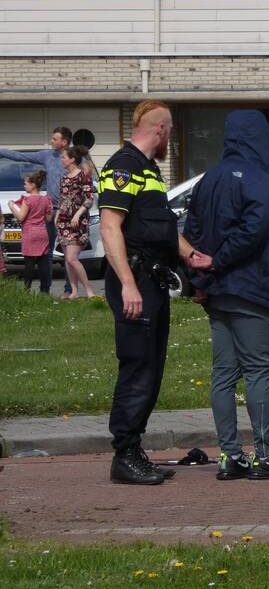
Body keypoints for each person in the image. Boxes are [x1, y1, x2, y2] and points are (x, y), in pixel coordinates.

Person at [184, 110, 269, 481]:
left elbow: (192, 231)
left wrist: (199, 278)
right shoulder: (261, 181)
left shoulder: (207, 180)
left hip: (218, 293)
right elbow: (257, 228)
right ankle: (265, 455)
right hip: (255, 289)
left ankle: (229, 455)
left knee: (223, 374)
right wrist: (219, 261)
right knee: (258, 372)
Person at [98, 100, 205, 486]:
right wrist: (127, 283)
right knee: (137, 366)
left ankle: (134, 449)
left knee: (151, 368)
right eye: (171, 132)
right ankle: (124, 455)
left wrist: (192, 254)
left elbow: (159, 228)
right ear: (160, 130)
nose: (170, 141)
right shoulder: (123, 166)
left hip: (152, 280)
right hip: (136, 281)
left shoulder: (149, 170)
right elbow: (110, 228)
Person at [0, 127, 73, 295]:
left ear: (65, 142)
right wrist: (1, 151)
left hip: (68, 212)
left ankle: (70, 290)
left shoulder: (75, 158)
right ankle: (45, 290)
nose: (51, 141)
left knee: (69, 252)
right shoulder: (46, 155)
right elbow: (21, 156)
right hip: (50, 209)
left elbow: (85, 180)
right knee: (46, 253)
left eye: (55, 139)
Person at [55, 146, 97, 299]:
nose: (61, 160)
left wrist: (77, 216)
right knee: (67, 259)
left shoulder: (83, 176)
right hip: (63, 221)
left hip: (77, 222)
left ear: (72, 159)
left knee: (72, 258)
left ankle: (89, 290)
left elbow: (89, 199)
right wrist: (57, 216)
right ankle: (74, 291)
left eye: (63, 157)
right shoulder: (64, 178)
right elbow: (62, 200)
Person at [7, 171, 52, 291]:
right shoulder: (46, 200)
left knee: (29, 265)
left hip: (30, 234)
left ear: (32, 185)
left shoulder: (27, 201)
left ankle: (26, 290)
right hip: (42, 233)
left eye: (25, 184)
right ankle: (45, 291)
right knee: (43, 264)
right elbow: (48, 218)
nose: (24, 186)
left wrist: (12, 206)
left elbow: (21, 217)